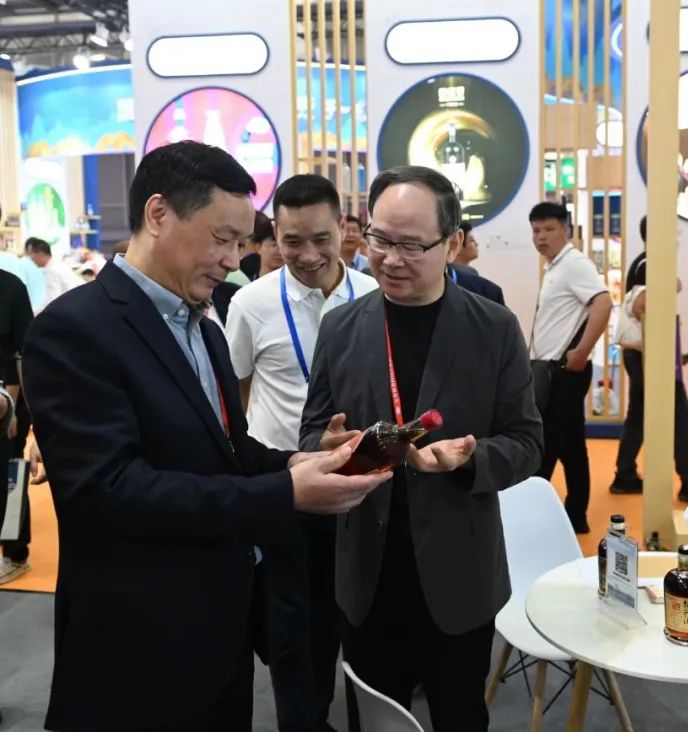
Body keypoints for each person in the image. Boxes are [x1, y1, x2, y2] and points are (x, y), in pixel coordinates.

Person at [21, 141, 391, 732]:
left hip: (220, 626)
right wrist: (285, 493)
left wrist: (294, 462)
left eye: (242, 243)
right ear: (158, 214)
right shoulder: (75, 329)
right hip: (137, 640)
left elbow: (228, 448)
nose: (233, 259)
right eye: (223, 238)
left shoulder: (205, 327)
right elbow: (109, 491)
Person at [299, 165, 542, 732]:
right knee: (374, 717)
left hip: (459, 571)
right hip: (367, 569)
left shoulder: (493, 328)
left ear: (452, 244)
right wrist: (327, 449)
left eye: (411, 245)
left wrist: (470, 458)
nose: (390, 259)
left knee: (460, 714)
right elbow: (312, 433)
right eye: (379, 239)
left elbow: (527, 442)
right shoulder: (341, 327)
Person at [226, 174, 377, 732]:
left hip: (363, 489)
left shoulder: (375, 295)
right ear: (274, 235)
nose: (308, 255)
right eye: (292, 241)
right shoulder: (251, 304)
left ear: (345, 229)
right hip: (289, 492)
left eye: (321, 238)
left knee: (364, 628)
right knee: (294, 636)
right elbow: (236, 396)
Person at [529, 202, 611, 533]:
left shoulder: (574, 264)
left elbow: (603, 301)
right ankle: (575, 515)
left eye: (549, 229)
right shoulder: (555, 267)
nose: (541, 236)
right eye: (536, 230)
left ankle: (536, 514)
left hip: (563, 371)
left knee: (549, 444)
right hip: (551, 370)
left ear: (566, 229)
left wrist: (582, 351)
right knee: (571, 446)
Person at [610, 215, 688, 501]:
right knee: (681, 415)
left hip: (640, 355)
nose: (676, 240)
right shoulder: (650, 265)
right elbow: (643, 304)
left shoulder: (643, 263)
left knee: (638, 415)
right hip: (648, 356)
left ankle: (624, 474)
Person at [0, 269, 33, 585]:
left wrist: (14, 410)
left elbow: (22, 354)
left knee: (9, 477)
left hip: (10, 402)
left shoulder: (11, 287)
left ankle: (15, 553)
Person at [26, 237, 83, 313]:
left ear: (40, 254)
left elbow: (51, 300)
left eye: (31, 255)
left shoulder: (52, 270)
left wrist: (33, 314)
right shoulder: (57, 264)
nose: (31, 259)